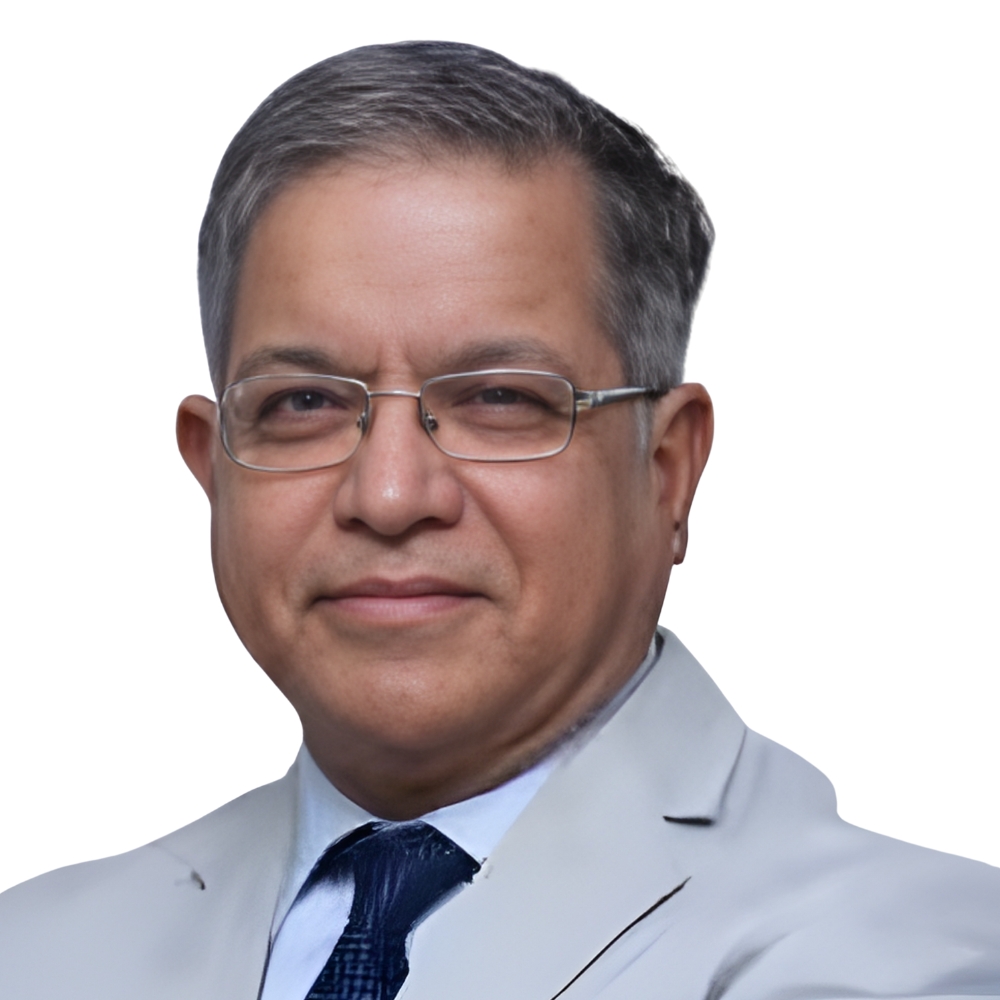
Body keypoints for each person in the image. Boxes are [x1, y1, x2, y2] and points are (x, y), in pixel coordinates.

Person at [1, 40, 998, 1000]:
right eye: (304, 403)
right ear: (214, 469)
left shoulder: (912, 951)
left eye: (501, 399)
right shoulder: (33, 950)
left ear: (666, 471)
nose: (389, 495)